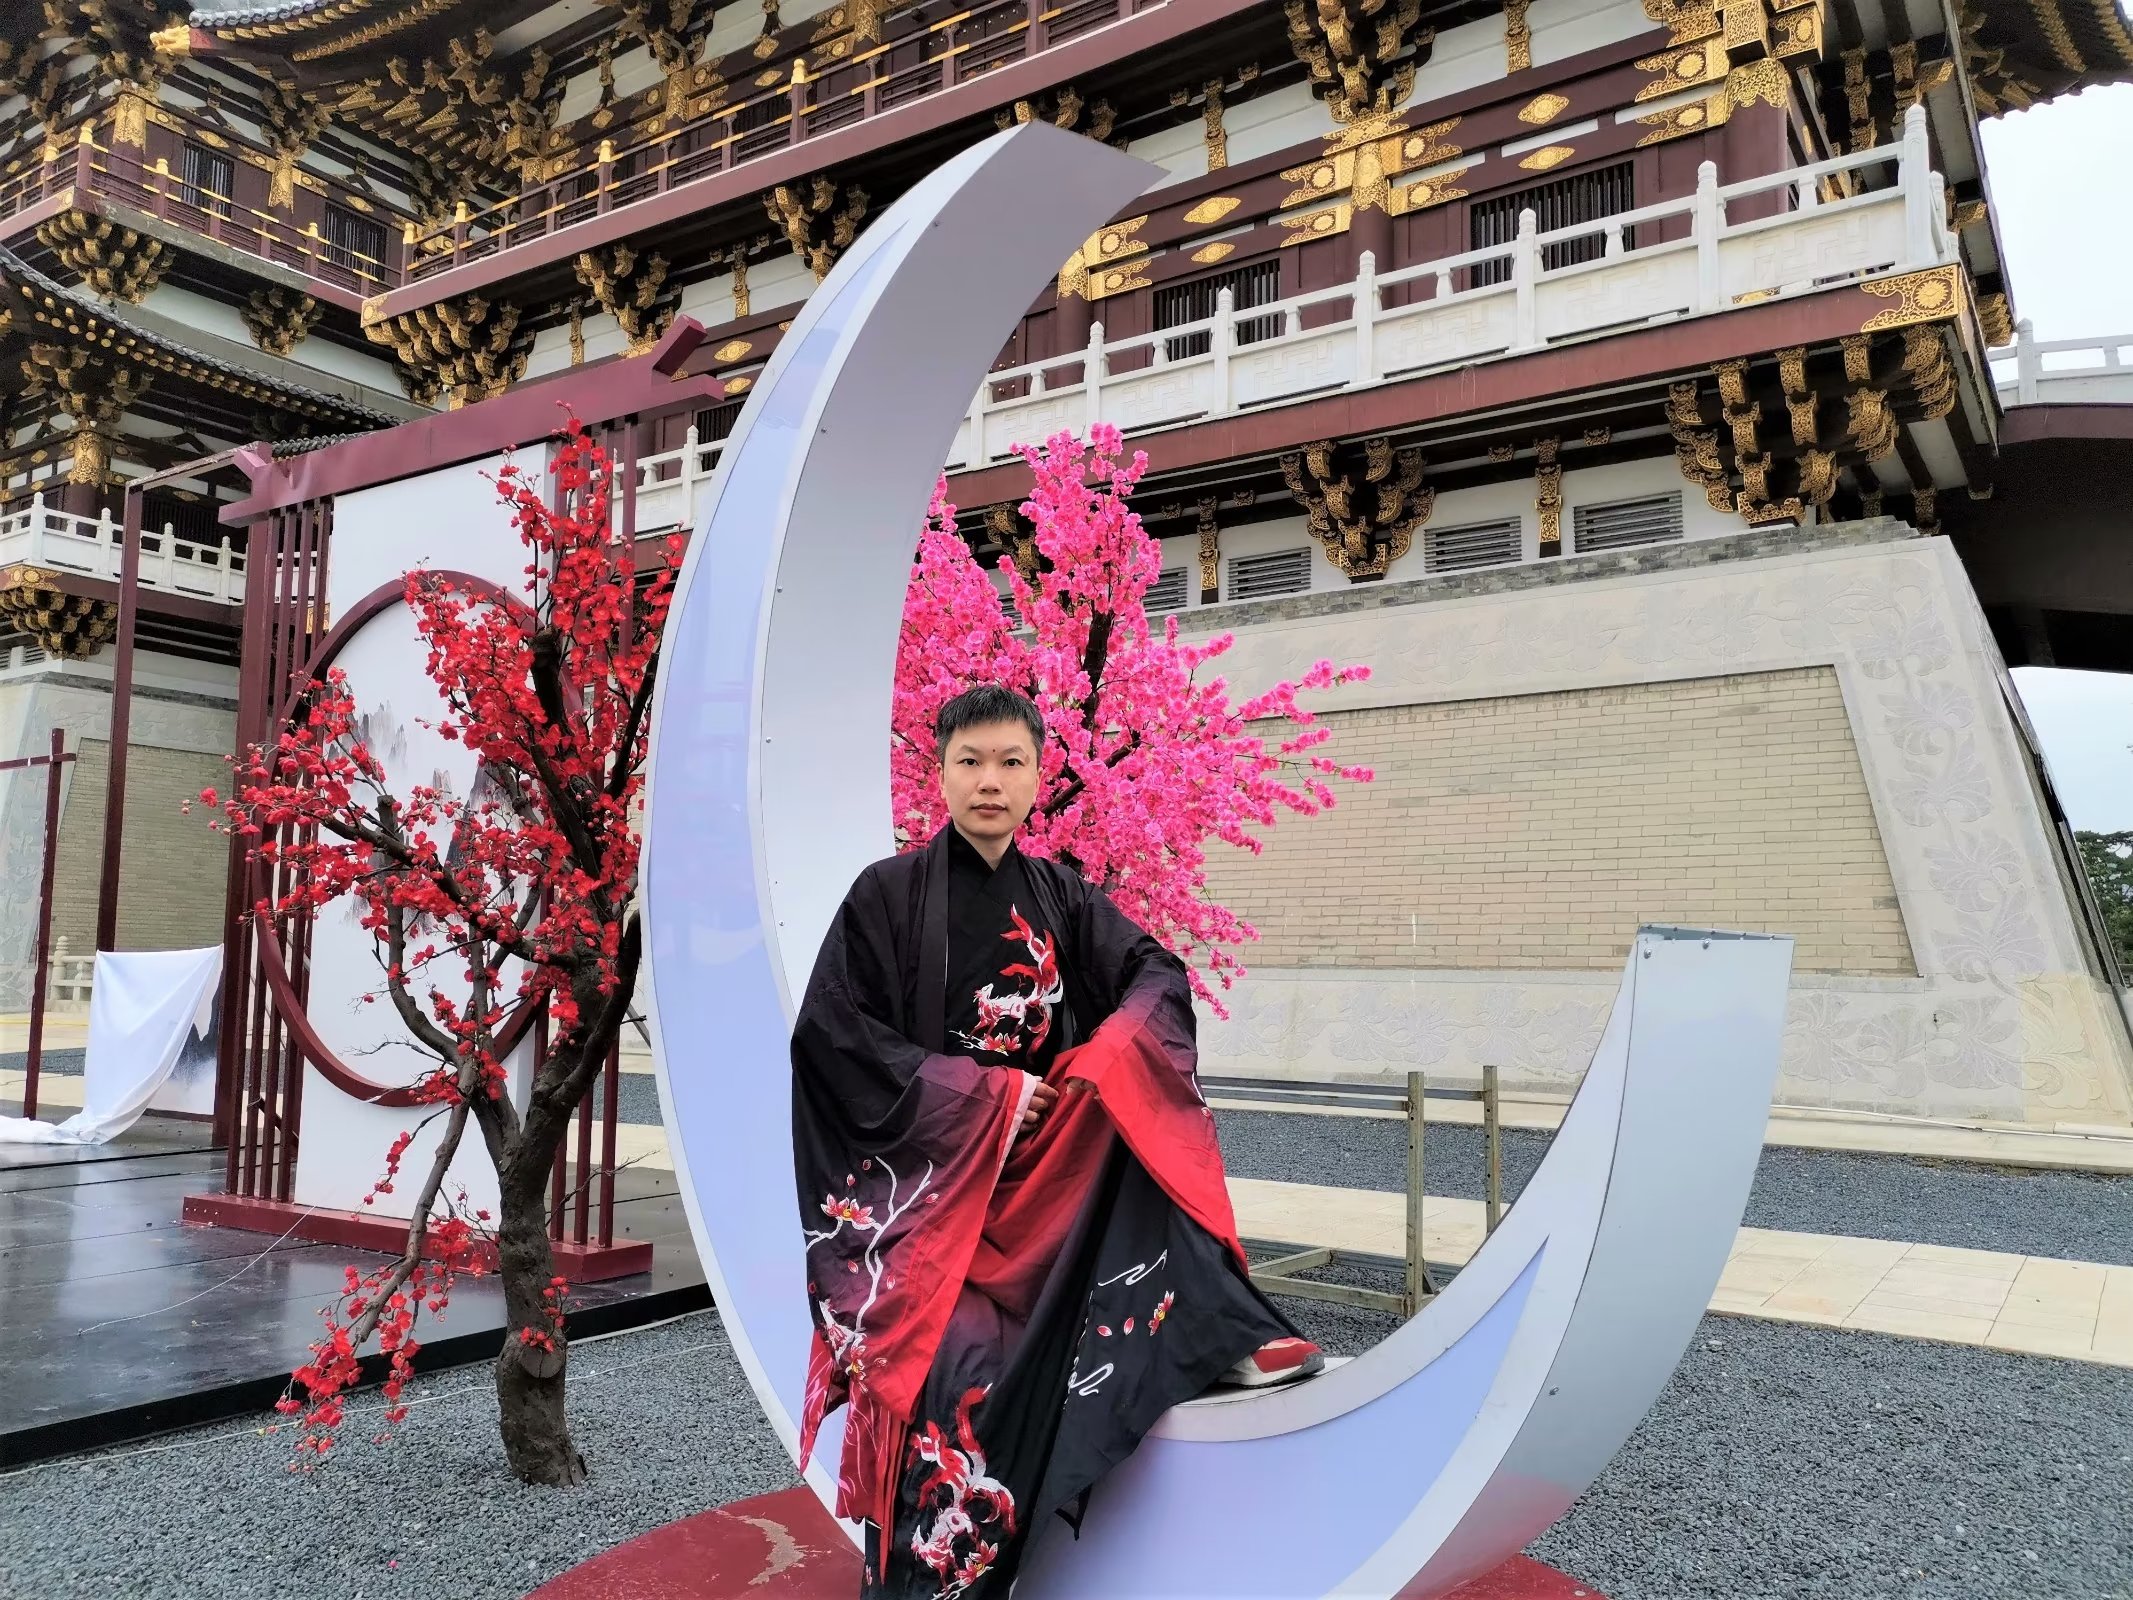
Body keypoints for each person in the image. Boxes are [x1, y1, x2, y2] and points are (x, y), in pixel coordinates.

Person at [792, 683, 1322, 1599]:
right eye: (969, 762)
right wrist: (988, 1097)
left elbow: (1154, 972)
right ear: (939, 775)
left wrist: (1107, 1059)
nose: (989, 782)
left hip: (1046, 1175)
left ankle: (1213, 1331)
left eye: (1011, 762)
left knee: (1127, 1097)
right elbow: (831, 1034)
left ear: (1039, 777)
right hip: (933, 1191)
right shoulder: (884, 895)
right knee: (952, 1368)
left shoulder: (1061, 895)